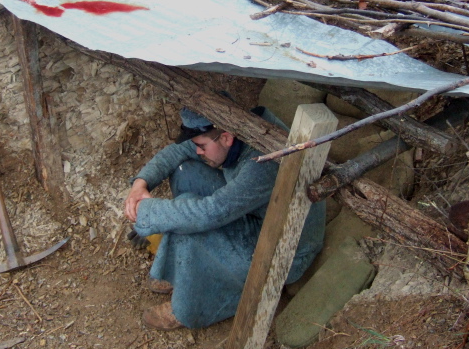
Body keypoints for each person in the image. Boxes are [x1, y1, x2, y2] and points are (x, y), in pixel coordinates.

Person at [124, 106, 325, 330]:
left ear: (227, 138)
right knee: (184, 170)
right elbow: (178, 152)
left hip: (284, 248)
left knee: (191, 226)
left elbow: (209, 214)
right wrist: (140, 183)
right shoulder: (235, 124)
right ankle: (182, 268)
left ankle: (186, 308)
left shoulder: (262, 163)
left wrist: (149, 212)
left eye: (201, 146)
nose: (198, 151)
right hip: (256, 213)